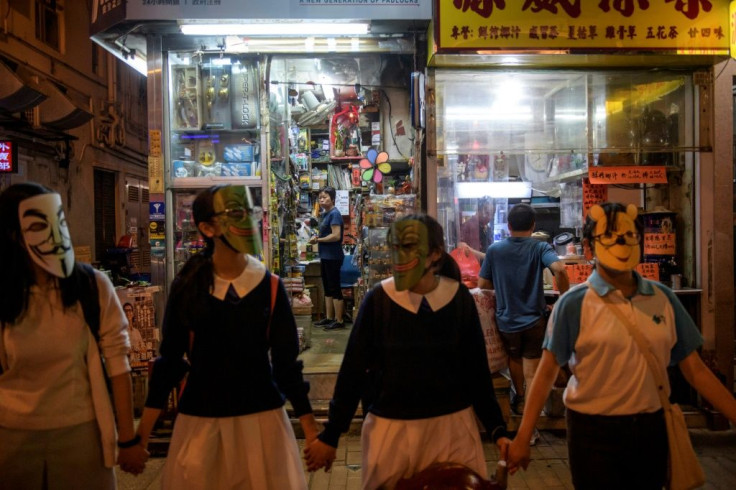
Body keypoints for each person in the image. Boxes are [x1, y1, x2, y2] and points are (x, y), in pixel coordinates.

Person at [507, 202, 736, 489]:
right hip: (591, 431)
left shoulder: (663, 298)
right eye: (609, 237)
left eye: (629, 236)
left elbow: (696, 372)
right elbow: (546, 372)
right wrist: (523, 437)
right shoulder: (574, 304)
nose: (621, 243)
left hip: (651, 428)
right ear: (589, 249)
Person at [304, 214, 511, 489]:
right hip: (391, 434)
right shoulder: (379, 299)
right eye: (395, 245)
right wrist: (331, 435)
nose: (399, 254)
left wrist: (498, 431)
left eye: (410, 246)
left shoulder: (459, 298)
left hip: (452, 432)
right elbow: (353, 372)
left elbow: (476, 372)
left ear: (435, 254)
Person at [134, 184, 318, 489]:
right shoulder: (189, 285)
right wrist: (139, 439)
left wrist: (312, 433)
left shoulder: (270, 286)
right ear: (206, 227)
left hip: (262, 424)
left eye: (248, 212)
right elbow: (169, 363)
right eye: (235, 214)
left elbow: (287, 367)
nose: (247, 221)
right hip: (200, 425)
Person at [0, 182, 148, 489]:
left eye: (59, 221)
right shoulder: (5, 294)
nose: (53, 234)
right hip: (10, 440)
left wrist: (128, 438)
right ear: (14, 235)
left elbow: (119, 366)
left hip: (82, 438)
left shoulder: (91, 287)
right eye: (40, 225)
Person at [478, 203, 569, 418]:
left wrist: (502, 283)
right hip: (534, 320)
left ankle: (518, 398)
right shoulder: (539, 247)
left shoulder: (495, 249)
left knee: (514, 359)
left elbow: (482, 284)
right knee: (532, 371)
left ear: (508, 225)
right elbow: (560, 269)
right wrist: (564, 296)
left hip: (507, 320)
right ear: (533, 225)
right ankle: (531, 425)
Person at [310, 186, 346, 330]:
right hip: (325, 256)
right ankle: (329, 317)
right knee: (327, 287)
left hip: (333, 256)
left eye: (325, 197)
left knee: (334, 287)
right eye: (320, 198)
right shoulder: (325, 214)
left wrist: (319, 240)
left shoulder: (335, 214)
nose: (322, 199)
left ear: (332, 198)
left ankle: (339, 320)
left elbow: (336, 236)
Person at [459, 196, 494, 262]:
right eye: (487, 213)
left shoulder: (486, 228)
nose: (489, 217)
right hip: (473, 267)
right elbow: (463, 248)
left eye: (491, 214)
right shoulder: (468, 226)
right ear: (479, 211)